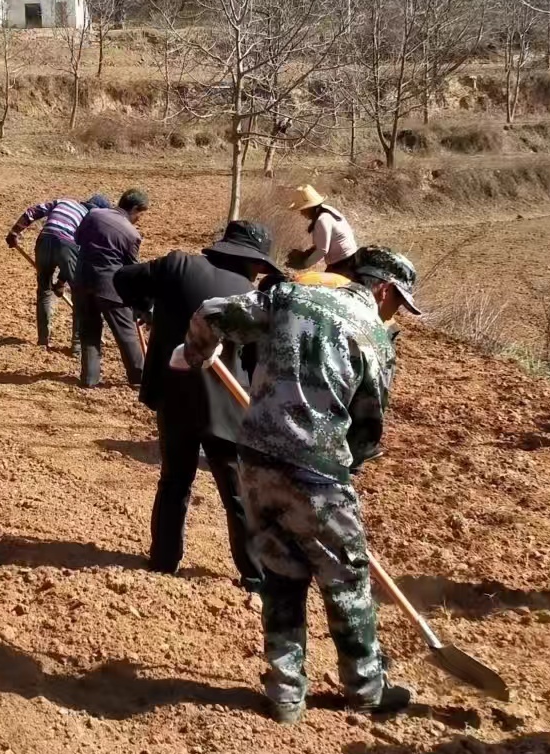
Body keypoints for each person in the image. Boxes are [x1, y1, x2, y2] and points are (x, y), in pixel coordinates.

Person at [180, 246, 422, 724]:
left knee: (282, 572)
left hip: (255, 458)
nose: (398, 314)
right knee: (346, 577)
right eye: (400, 303)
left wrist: (198, 353)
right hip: (317, 466)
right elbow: (368, 430)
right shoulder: (373, 334)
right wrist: (348, 469)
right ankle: (366, 689)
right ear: (382, 288)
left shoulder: (287, 297)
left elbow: (211, 313)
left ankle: (286, 693)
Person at [114, 220, 281, 592]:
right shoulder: (252, 300)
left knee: (174, 480)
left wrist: (147, 310)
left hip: (173, 397)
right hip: (226, 409)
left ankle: (163, 560)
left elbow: (123, 279)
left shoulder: (177, 266)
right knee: (237, 492)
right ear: (254, 263)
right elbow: (257, 364)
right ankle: (255, 577)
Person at [6, 193, 104, 350]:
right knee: (79, 295)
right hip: (67, 246)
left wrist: (15, 231)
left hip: (44, 241)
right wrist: (61, 282)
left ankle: (43, 340)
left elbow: (33, 211)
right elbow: (77, 255)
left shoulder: (65, 202)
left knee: (44, 291)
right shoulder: (89, 218)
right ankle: (77, 346)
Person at [73, 188, 149, 388]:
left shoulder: (93, 214)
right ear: (134, 208)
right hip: (110, 288)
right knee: (126, 334)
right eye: (140, 214)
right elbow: (131, 269)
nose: (139, 219)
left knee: (89, 332)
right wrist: (139, 301)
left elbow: (77, 239)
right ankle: (139, 378)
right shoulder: (132, 234)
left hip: (81, 281)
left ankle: (89, 379)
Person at [285, 185, 360, 277]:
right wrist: (307, 253)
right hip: (348, 259)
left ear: (309, 207)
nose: (301, 213)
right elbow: (324, 242)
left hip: (344, 263)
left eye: (302, 209)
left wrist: (304, 265)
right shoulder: (327, 210)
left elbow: (322, 250)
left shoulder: (322, 220)